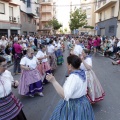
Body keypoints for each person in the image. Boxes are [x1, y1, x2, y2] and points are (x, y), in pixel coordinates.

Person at [46, 55, 94, 120]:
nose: (66, 64)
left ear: (70, 65)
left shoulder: (73, 78)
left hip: (74, 105)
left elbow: (65, 95)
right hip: (83, 102)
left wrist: (53, 81)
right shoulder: (83, 72)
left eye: (67, 63)